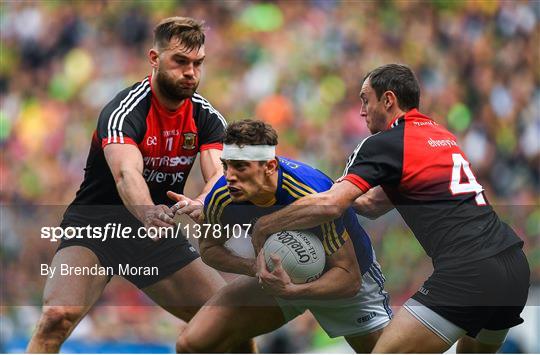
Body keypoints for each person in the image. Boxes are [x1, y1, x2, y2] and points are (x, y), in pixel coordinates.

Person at [251, 64, 530, 353]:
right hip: (513, 267)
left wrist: (266, 224)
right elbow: (371, 204)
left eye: (365, 99)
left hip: (469, 269)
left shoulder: (382, 143)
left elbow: (332, 205)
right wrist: (339, 193)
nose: (362, 111)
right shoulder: (440, 134)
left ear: (388, 100)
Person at [27, 17, 253, 353]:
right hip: (96, 228)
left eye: (197, 64)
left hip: (154, 234)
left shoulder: (207, 118)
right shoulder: (123, 111)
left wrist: (205, 201)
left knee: (231, 328)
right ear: (154, 58)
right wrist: (147, 213)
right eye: (180, 61)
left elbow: (218, 174)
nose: (190, 72)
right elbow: (126, 175)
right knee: (56, 317)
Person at [174, 120, 392, 353]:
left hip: (343, 283)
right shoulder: (222, 195)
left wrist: (294, 291)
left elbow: (349, 278)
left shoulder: (312, 193)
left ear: (269, 166)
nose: (229, 176)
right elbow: (209, 249)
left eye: (240, 167)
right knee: (192, 345)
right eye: (226, 166)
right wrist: (255, 268)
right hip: (277, 277)